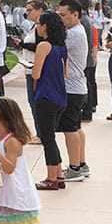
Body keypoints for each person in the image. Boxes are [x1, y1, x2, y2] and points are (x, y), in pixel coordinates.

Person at [31, 11, 69, 190]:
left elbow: (36, 73)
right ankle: (58, 175)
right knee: (51, 138)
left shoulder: (43, 46)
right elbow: (65, 73)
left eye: (38, 24)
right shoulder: (62, 47)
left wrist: (32, 68)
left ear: (45, 26)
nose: (37, 27)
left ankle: (51, 178)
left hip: (45, 95)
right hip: (60, 96)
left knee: (47, 139)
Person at [56, 0, 90, 181]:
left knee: (70, 130)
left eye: (63, 15)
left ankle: (75, 168)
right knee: (76, 128)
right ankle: (81, 164)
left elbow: (54, 48)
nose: (61, 19)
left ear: (75, 15)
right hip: (77, 87)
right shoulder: (77, 31)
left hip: (72, 88)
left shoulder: (73, 34)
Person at [15, 0, 48, 134]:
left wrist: (22, 44)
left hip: (36, 69)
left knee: (36, 103)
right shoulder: (34, 26)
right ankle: (40, 132)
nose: (27, 13)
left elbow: (40, 47)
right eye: (27, 10)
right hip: (30, 68)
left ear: (40, 10)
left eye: (30, 10)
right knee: (33, 102)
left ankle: (41, 134)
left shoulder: (41, 27)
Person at [78, 0, 98, 121]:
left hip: (85, 57)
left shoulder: (83, 21)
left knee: (87, 84)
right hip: (86, 56)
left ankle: (87, 110)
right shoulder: (86, 19)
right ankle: (87, 109)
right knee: (88, 83)